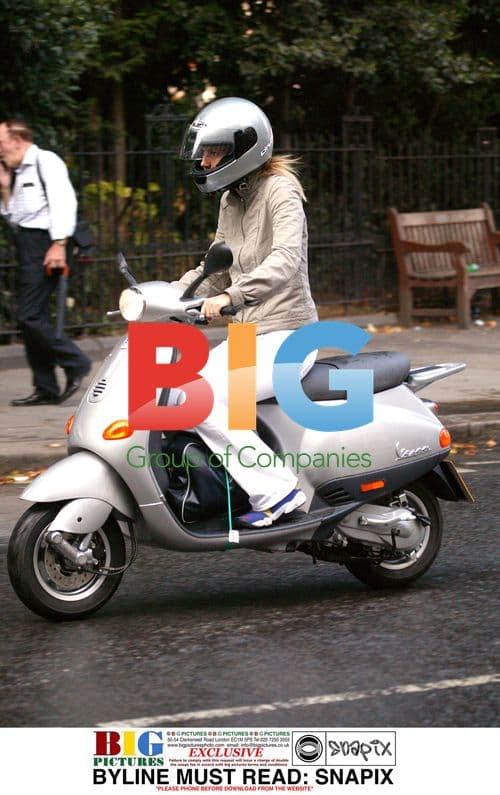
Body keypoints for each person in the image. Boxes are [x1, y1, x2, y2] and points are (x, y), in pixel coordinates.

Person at [177, 97, 318, 528]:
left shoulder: (281, 190)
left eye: (214, 151)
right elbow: (215, 267)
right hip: (247, 336)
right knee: (181, 392)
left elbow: (285, 261)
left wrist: (232, 298)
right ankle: (235, 488)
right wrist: (168, 294)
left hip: (288, 333)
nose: (204, 160)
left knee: (203, 399)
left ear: (245, 148)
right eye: (203, 152)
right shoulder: (231, 200)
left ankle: (279, 491)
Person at [0, 119, 90, 406]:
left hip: (48, 245)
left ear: (17, 139)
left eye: (1, 142)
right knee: (31, 318)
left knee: (29, 316)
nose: (0, 150)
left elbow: (64, 202)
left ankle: (75, 361)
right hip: (28, 244)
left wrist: (59, 244)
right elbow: (15, 217)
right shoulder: (16, 172)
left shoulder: (45, 161)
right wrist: (4, 189)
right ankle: (45, 387)